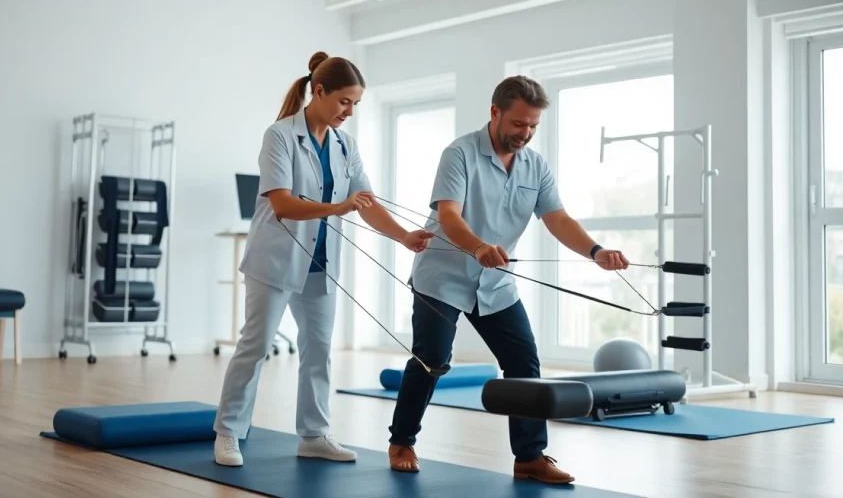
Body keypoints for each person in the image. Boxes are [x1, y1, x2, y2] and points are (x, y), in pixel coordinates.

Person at [386, 75, 629, 485]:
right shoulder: (459, 153)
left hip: (496, 284)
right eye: (519, 124)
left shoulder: (536, 165)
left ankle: (530, 457)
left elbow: (558, 218)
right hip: (442, 277)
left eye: (533, 125)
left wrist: (595, 251)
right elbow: (449, 216)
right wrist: (479, 246)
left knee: (523, 363)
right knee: (433, 360)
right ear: (495, 112)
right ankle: (402, 441)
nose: (526, 133)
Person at [213, 51, 434, 468]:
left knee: (318, 349)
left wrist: (403, 236)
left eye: (356, 104)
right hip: (274, 261)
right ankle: (229, 432)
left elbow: (365, 203)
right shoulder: (279, 135)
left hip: (320, 264)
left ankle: (314, 434)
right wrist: (338, 208)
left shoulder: (344, 144)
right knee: (255, 346)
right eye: (344, 102)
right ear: (318, 91)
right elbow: (282, 204)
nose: (350, 112)